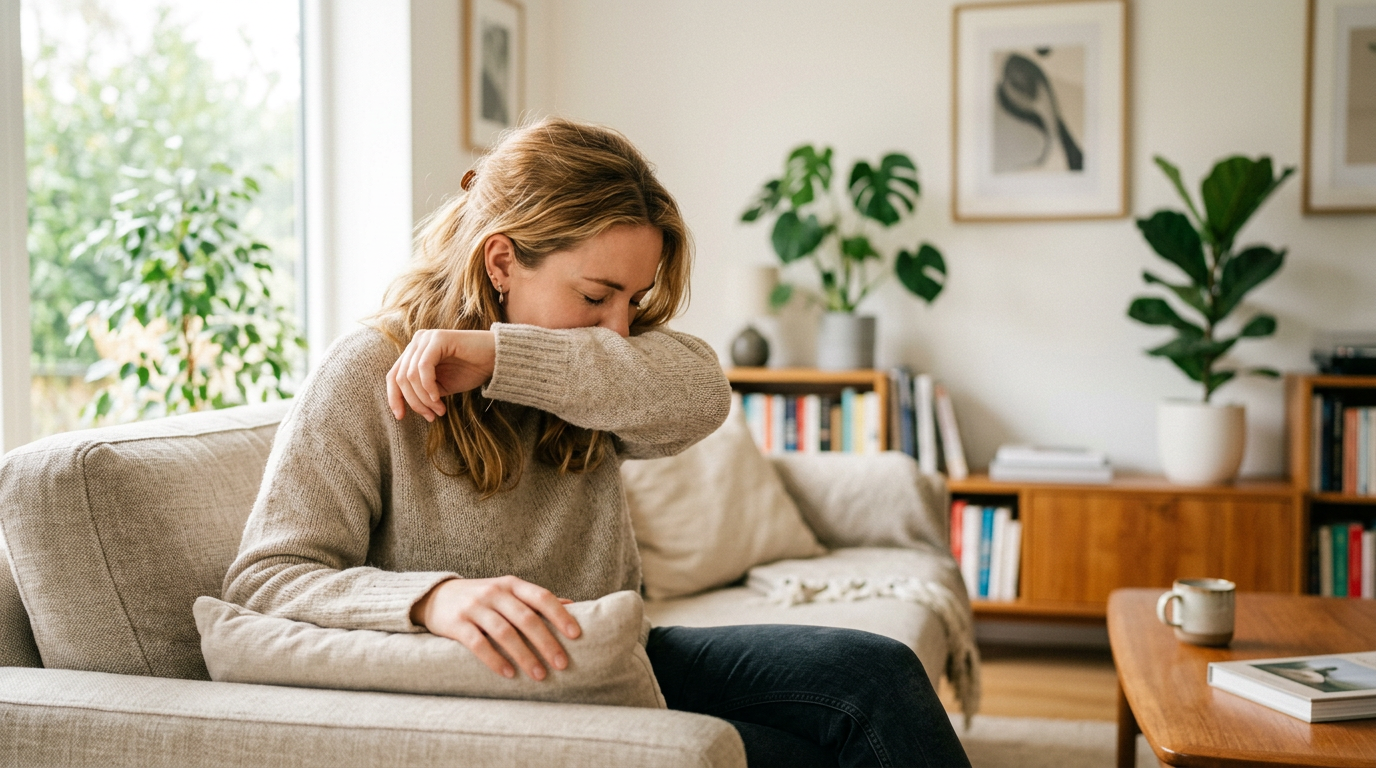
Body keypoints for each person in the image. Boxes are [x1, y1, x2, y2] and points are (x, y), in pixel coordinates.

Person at [222, 117, 969, 768]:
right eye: (594, 295)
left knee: (875, 674)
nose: (618, 326)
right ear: (502, 260)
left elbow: (701, 393)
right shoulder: (365, 372)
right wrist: (433, 600)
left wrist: (499, 355)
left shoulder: (589, 373)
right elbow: (266, 578)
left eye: (633, 300)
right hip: (487, 687)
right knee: (805, 755)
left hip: (610, 656)